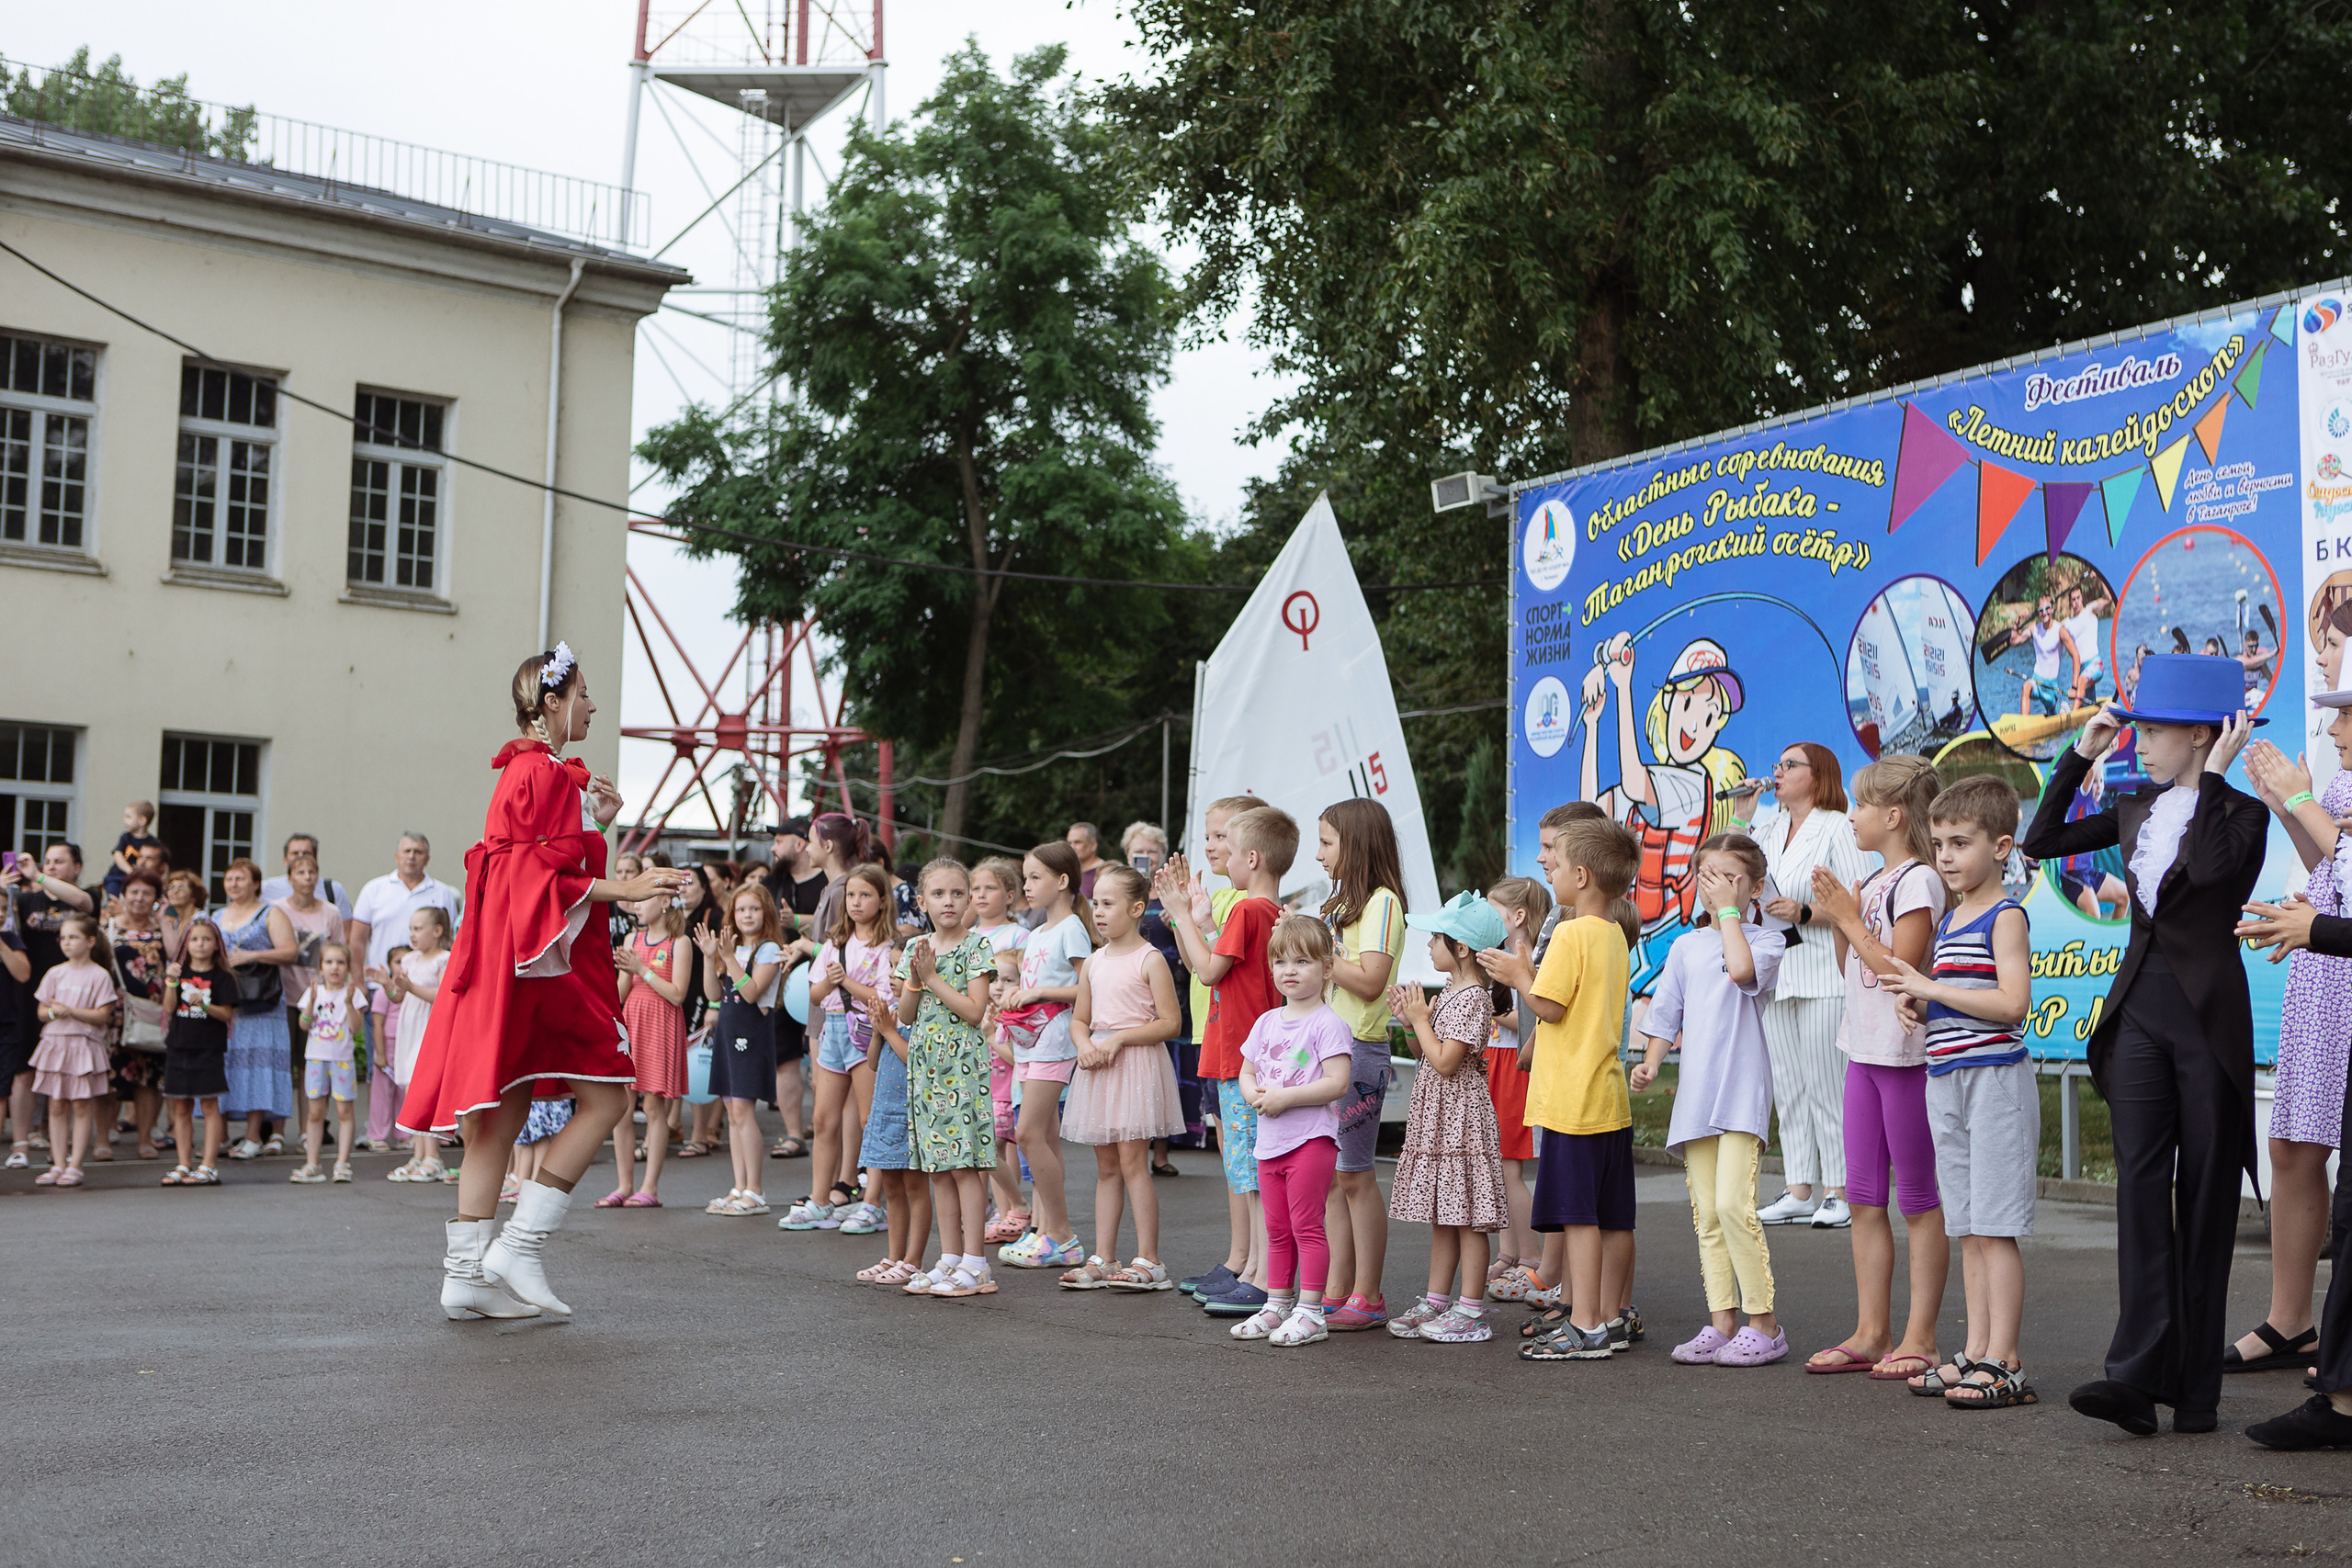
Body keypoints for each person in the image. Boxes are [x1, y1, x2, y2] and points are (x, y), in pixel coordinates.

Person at [400, 644, 690, 1321]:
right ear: (552, 702)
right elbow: (523, 875)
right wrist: (625, 884)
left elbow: (541, 867)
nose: (592, 704)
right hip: (536, 966)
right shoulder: (542, 773)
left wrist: (600, 828)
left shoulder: (540, 773)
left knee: (499, 1116)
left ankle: (466, 1273)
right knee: (610, 1097)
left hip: (519, 963)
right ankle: (519, 1244)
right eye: (583, 693)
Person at [2020, 654, 2266, 1436]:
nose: (2142, 743)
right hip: (2138, 1016)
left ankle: (2195, 1391)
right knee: (2138, 1190)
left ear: (2201, 733)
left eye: (2154, 730)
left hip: (2208, 1021)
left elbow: (2212, 873)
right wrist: (2081, 751)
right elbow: (2042, 835)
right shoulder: (2132, 805)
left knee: (2206, 1200)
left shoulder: (2241, 816)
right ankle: (2132, 1376)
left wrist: (2216, 781)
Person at [1880, 774, 2041, 1409]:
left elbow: (2011, 1004)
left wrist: (1933, 988)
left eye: (1960, 843)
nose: (1945, 856)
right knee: (1969, 1226)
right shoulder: (1950, 920)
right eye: (1939, 843)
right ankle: (1975, 1351)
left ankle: (2005, 1359)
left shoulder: (2006, 916)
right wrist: (1920, 1008)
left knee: (1997, 1228)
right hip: (1946, 1081)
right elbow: (1954, 1001)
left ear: (2001, 846)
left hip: (1995, 1082)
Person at [1801, 755, 1951, 1378]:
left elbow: (1898, 971)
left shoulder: (1919, 880)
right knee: (1863, 1197)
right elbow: (1851, 968)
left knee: (1917, 1200)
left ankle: (1921, 1335)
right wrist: (1843, 915)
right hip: (1862, 1053)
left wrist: (1850, 918)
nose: (1853, 815)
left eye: (1861, 805)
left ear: (1893, 815)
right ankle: (1871, 1329)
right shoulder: (1874, 881)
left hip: (1906, 1060)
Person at [1476, 817, 1641, 1363]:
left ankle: (1586, 1324)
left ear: (1583, 875)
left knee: (1580, 1217)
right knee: (1613, 1216)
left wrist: (1519, 974)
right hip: (1608, 1095)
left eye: (1557, 859)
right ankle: (1612, 1317)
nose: (1548, 866)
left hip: (1573, 1100)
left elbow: (1548, 1006)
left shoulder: (1570, 931)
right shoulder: (1614, 932)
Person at [2237, 706, 2352, 1447]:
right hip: (2324, 950)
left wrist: (2302, 800)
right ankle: (2297, 1327)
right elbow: (2328, 869)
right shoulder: (2336, 782)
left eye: (2348, 714)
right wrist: (2288, 805)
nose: (2338, 728)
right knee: (2292, 1143)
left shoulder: (2329, 793)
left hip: (2339, 953)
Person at [1630, 837, 1788, 1365]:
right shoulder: (1684, 947)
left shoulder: (1766, 941)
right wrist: (1651, 1061)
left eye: (1729, 878)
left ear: (1755, 888)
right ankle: (1722, 1320)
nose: (1714, 885)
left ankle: (1764, 1324)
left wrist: (1727, 914)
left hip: (1741, 1091)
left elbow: (1741, 972)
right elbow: (1665, 1013)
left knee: (1733, 1205)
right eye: (1706, 876)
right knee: (1707, 1214)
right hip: (1696, 1097)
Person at [1157, 803, 1291, 1321]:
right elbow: (1220, 965)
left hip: (1243, 1057)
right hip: (1244, 1053)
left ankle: (1261, 1274)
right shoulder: (1260, 913)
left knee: (1252, 1171)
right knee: (1248, 1169)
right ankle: (1255, 1267)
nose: (1223, 858)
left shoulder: (1251, 910)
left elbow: (1209, 971)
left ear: (1251, 858)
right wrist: (1201, 923)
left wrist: (1182, 914)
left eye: (1228, 849)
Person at [1728, 741, 1870, 1229]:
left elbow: (1857, 902)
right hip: (1777, 973)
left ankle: (1839, 1188)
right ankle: (1798, 1187)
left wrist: (1806, 912)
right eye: (1777, 765)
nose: (1779, 772)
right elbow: (1727, 873)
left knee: (1827, 1083)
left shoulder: (1836, 826)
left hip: (1823, 972)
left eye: (1790, 765)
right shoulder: (1766, 828)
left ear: (1817, 775)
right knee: (1787, 1087)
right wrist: (1742, 818)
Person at [1383, 891, 1510, 1344]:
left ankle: (1471, 1309)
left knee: (1468, 1216)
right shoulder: (1450, 994)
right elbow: (1424, 1055)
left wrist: (1420, 1019)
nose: (1429, 946)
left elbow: (1446, 1061)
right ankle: (1438, 1300)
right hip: (1439, 1118)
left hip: (1461, 1121)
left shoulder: (1474, 998)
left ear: (1461, 948)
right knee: (1444, 1212)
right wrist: (1410, 1020)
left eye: (1436, 938)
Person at [1227, 913, 1356, 1346]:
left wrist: (1285, 1098)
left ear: (1326, 967)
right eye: (1281, 962)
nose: (1290, 971)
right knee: (1277, 1229)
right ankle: (1277, 1305)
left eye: (1302, 962)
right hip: (1269, 1143)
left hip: (1310, 1142)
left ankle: (1311, 1311)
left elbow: (1337, 1083)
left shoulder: (1327, 1023)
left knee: (1307, 1227)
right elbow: (1246, 1072)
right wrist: (1252, 1094)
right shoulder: (1265, 1022)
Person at [1056, 864, 1185, 1292]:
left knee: (1133, 1164)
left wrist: (1119, 1040)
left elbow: (1170, 1023)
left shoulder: (1150, 959)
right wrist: (1085, 1044)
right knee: (1106, 1167)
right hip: (1100, 1068)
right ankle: (1103, 1257)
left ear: (1136, 908)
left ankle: (1150, 1259)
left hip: (1135, 1067)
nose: (1099, 911)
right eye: (1096, 903)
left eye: (1108, 904)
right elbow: (1080, 1019)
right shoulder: (1092, 962)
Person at [1314, 798, 1409, 1332]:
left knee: (1355, 1175)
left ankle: (1368, 1293)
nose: (1320, 855)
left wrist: (1321, 952)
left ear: (1356, 843)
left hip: (1359, 1049)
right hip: (1329, 1046)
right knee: (1333, 1176)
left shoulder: (1383, 902)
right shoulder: (1345, 904)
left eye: (1327, 842)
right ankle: (1337, 1288)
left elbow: (1372, 980)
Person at [896, 860, 1000, 1298]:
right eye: (939, 894)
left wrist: (932, 976)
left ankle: (976, 1263)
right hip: (925, 1071)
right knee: (938, 1167)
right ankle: (951, 1257)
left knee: (964, 1165)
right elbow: (904, 1015)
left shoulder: (977, 947)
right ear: (922, 902)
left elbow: (976, 1011)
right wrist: (917, 980)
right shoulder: (915, 947)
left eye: (958, 893)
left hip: (960, 1070)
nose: (949, 902)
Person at [996, 840, 1097, 1270]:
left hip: (1055, 1041)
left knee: (1029, 1134)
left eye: (1035, 877)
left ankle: (1061, 1234)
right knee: (1044, 1137)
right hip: (1030, 1042)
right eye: (1026, 876)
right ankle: (1050, 1230)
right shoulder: (1037, 932)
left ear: (1062, 881)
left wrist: (1039, 992)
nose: (1027, 885)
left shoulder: (1072, 927)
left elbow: (1090, 986)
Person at [786, 863, 895, 1231]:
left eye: (865, 895)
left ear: (882, 900)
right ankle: (819, 1199)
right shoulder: (835, 942)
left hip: (867, 1032)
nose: (856, 902)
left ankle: (873, 1202)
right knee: (822, 1118)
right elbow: (815, 994)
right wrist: (834, 983)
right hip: (833, 1029)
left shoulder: (887, 947)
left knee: (870, 1119)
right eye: (851, 895)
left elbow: (880, 997)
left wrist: (844, 981)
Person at [349, 833, 461, 1156]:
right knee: (391, 1072)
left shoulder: (441, 895)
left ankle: (430, 1147)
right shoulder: (375, 889)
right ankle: (397, 1139)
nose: (412, 856)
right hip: (400, 1011)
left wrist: (409, 987)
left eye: (419, 852)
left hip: (429, 1017)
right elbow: (358, 940)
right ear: (396, 855)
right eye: (406, 851)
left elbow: (443, 989)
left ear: (427, 857)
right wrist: (380, 983)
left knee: (426, 1083)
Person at [695, 883, 785, 1217]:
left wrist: (729, 957)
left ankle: (755, 1191)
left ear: (766, 914)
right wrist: (710, 957)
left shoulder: (769, 950)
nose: (748, 915)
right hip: (728, 1033)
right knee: (732, 1113)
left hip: (751, 1036)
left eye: (755, 909)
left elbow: (751, 993)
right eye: (742, 909)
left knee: (744, 1112)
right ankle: (739, 1186)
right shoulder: (730, 951)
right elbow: (712, 994)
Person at [1482, 875, 1553, 1299]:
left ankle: (1529, 1257)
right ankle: (1510, 1254)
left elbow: (1532, 1013)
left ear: (1518, 916)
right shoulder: (1505, 956)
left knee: (1509, 1167)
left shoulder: (1524, 959)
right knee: (1499, 1166)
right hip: (1497, 1060)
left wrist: (1487, 1008)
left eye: (1494, 912)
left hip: (1514, 1064)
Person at [603, 892, 689, 1209]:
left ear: (665, 902)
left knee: (653, 1107)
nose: (636, 906)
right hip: (633, 1023)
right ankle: (624, 1185)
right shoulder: (632, 937)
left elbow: (677, 994)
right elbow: (621, 992)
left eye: (644, 900)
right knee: (621, 1108)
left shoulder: (680, 943)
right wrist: (620, 973)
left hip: (661, 1024)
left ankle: (649, 1187)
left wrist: (642, 968)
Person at [216, 858, 298, 1161]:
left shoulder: (270, 913)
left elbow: (290, 951)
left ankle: (253, 1136)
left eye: (240, 878)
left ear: (255, 884)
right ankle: (220, 1135)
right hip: (228, 1002)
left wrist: (254, 954)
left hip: (262, 1003)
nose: (234, 884)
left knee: (257, 1065)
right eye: (229, 879)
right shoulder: (216, 914)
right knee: (225, 1064)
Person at [29, 913, 117, 1187]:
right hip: (56, 1043)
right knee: (56, 1105)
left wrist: (71, 1011)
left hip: (83, 1045)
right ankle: (58, 1163)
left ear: (90, 941)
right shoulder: (55, 972)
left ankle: (76, 1164)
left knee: (80, 1104)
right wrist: (55, 1013)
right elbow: (42, 1011)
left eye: (73, 937)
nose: (66, 943)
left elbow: (103, 1015)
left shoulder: (99, 975)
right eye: (63, 938)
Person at [969, 856, 1030, 1239]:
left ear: (1010, 895)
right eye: (975, 888)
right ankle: (999, 1211)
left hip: (1007, 1036)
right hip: (976, 1037)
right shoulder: (969, 936)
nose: (979, 895)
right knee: (987, 1133)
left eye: (989, 888)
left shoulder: (1018, 936)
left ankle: (1016, 1210)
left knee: (1006, 1136)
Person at [766, 818, 828, 1159]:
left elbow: (839, 925)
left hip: (823, 981)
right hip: (779, 983)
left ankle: (824, 1127)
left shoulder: (828, 882)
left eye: (780, 839)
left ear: (801, 843)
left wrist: (798, 922)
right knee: (784, 1059)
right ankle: (793, 1135)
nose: (774, 847)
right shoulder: (771, 883)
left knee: (825, 1063)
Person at [159, 918, 234, 1184]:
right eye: (194, 939)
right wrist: (170, 981)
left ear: (216, 945)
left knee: (210, 1106)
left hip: (209, 1048)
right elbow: (168, 1009)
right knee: (181, 1107)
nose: (200, 944)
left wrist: (203, 1005)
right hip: (179, 1046)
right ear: (186, 944)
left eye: (206, 939)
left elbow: (226, 1013)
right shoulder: (179, 974)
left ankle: (208, 1165)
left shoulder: (222, 977)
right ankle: (182, 1163)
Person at [277, 852, 346, 1132]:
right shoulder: (277, 909)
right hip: (284, 995)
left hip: (319, 999)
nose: (307, 877)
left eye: (312, 872)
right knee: (283, 1066)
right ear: (290, 877)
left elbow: (341, 952)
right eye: (301, 872)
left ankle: (309, 1129)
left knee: (311, 1068)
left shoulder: (331, 912)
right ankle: (277, 1133)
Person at [382, 909, 454, 1182]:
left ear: (437, 931)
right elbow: (399, 996)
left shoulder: (443, 959)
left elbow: (443, 995)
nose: (412, 934)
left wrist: (410, 987)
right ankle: (418, 1154)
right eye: (410, 928)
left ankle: (433, 1156)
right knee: (411, 1091)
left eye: (418, 928)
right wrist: (387, 984)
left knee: (423, 1090)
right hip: (409, 1029)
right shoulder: (410, 959)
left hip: (429, 1029)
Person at [107, 872, 170, 1161]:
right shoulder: (108, 928)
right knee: (109, 1077)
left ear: (156, 898)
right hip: (115, 1013)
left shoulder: (163, 928)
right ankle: (103, 1138)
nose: (139, 898)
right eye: (133, 892)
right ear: (124, 894)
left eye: (147, 893)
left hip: (151, 1011)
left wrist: (166, 918)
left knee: (147, 1077)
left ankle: (145, 1138)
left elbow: (176, 954)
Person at [292, 942, 368, 1184]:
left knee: (344, 1111)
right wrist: (312, 1002)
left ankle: (343, 1163)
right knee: (315, 1112)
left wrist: (347, 1002)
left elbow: (356, 1028)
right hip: (316, 1058)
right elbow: (303, 1024)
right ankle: (312, 1164)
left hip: (342, 1060)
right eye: (329, 962)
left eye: (340, 962)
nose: (335, 967)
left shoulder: (353, 994)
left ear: (348, 967)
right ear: (320, 967)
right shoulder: (314, 992)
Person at [2000, 594, 2082, 718]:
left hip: (2051, 688)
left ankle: (2062, 707)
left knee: (2053, 714)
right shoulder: (2034, 629)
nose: (2044, 613)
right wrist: (2017, 621)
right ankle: (2025, 726)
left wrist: (2074, 687)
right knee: (2026, 687)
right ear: (2038, 612)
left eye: (2047, 609)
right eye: (2041, 610)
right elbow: (2014, 641)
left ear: (2052, 609)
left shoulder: (2060, 630)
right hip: (2036, 681)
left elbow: (2076, 655)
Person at [261, 832, 354, 919]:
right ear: (284, 859)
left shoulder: (333, 890)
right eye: (295, 853)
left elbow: (346, 932)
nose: (300, 857)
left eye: (306, 853)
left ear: (315, 858)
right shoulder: (265, 888)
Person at [2064, 583, 2114, 705]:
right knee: (2087, 704)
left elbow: (2109, 599)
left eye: (2078, 598)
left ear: (2082, 598)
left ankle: (2073, 717)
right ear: (2070, 602)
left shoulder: (2090, 610)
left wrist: (2098, 579)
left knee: (2081, 681)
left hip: (2095, 664)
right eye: (2073, 599)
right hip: (2081, 670)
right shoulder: (2067, 623)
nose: (2076, 602)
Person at [105, 801, 160, 901]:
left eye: (128, 817)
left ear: (142, 820)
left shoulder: (152, 842)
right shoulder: (126, 837)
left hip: (139, 880)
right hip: (117, 877)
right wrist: (130, 871)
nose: (124, 820)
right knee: (113, 899)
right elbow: (118, 855)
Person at [1066, 821, 1105, 901]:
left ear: (1093, 845)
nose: (1072, 847)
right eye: (1069, 843)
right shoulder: (1068, 871)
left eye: (1077, 842)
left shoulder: (1104, 872)